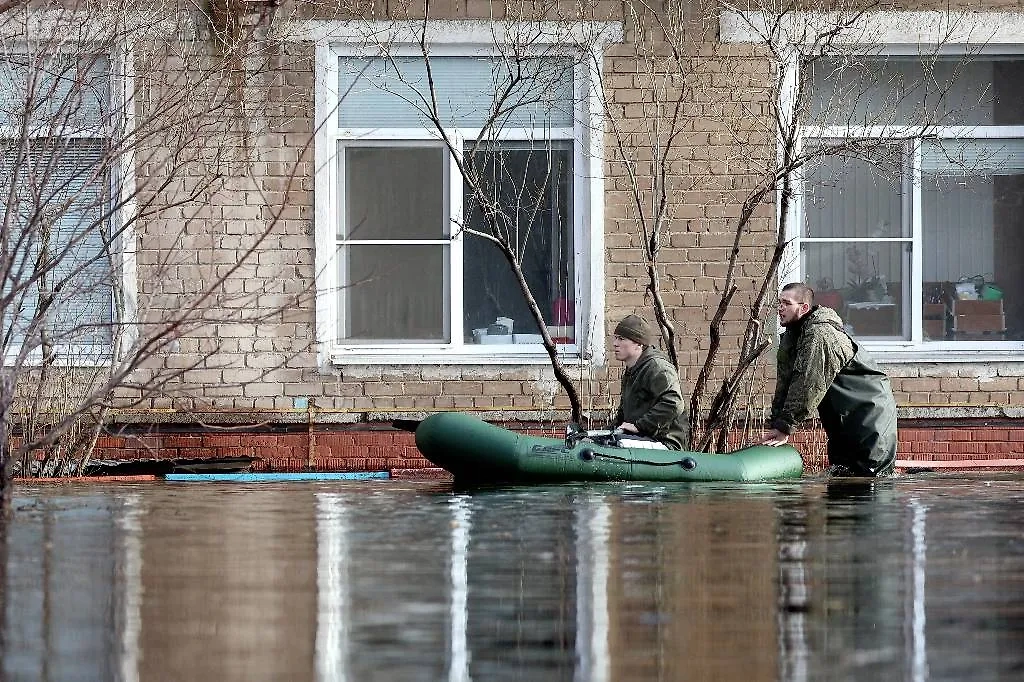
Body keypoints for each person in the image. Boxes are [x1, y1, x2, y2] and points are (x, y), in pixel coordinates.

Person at [761, 282, 898, 476]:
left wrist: (785, 426)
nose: (780, 308)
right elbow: (786, 383)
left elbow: (808, 383)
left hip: (869, 416)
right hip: (842, 419)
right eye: (779, 303)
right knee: (840, 476)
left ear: (804, 307)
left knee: (870, 483)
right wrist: (777, 424)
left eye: (786, 303)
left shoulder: (820, 335)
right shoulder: (792, 336)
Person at [611, 314, 690, 450]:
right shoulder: (633, 370)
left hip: (666, 443)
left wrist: (639, 426)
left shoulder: (657, 367)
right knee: (606, 443)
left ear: (639, 344)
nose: (615, 343)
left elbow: (674, 403)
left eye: (621, 339)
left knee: (617, 445)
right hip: (643, 438)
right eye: (615, 338)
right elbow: (623, 417)